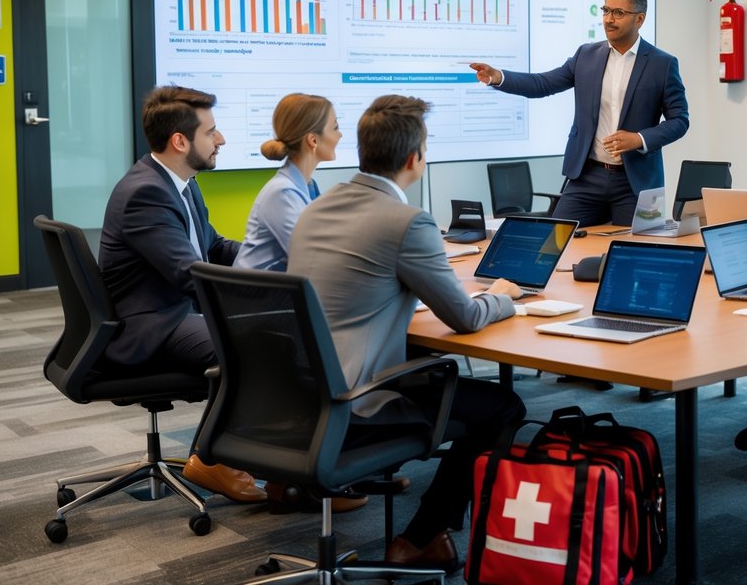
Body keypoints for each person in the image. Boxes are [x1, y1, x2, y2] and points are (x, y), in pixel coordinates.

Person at [288, 94, 525, 571]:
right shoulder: (407, 221)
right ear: (415, 159)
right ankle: (421, 538)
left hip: (296, 393)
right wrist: (504, 295)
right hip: (356, 400)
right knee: (504, 407)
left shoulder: (318, 205)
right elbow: (467, 318)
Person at [99, 85, 266, 504]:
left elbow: (212, 247)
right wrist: (266, 297)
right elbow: (188, 275)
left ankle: (272, 464)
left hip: (172, 311)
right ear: (180, 141)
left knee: (267, 335)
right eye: (212, 132)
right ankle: (211, 457)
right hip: (152, 324)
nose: (221, 139)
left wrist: (274, 259)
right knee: (257, 344)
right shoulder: (146, 193)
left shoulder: (179, 182)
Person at [470, 0, 689, 227]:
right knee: (556, 241)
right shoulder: (586, 55)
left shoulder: (662, 64)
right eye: (605, 10)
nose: (608, 19)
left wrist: (639, 139)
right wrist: (499, 77)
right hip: (587, 176)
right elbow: (544, 83)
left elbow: (680, 120)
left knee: (640, 253)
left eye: (618, 13)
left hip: (636, 181)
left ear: (639, 19)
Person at [235, 93, 342, 272]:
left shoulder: (309, 187)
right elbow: (313, 257)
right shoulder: (282, 193)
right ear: (313, 140)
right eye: (335, 127)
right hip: (256, 297)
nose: (340, 135)